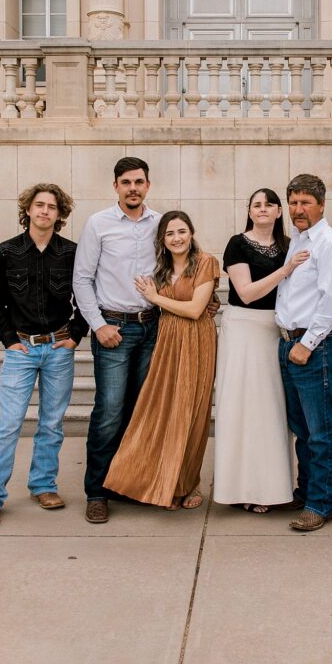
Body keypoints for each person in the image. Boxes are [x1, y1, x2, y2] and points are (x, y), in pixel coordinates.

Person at [0, 184, 87, 527]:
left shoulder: (70, 252)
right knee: (8, 424)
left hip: (57, 349)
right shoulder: (7, 251)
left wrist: (75, 334)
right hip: (21, 350)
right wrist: (9, 341)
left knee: (51, 424)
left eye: (52, 207)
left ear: (60, 213)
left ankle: (43, 485)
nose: (45, 211)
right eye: (39, 205)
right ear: (28, 210)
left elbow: (87, 294)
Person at [104, 211, 219, 509]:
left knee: (192, 412)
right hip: (166, 340)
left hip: (197, 340)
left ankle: (188, 485)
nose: (177, 238)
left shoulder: (206, 262)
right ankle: (164, 483)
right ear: (162, 240)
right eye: (169, 234)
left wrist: (156, 299)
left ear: (191, 233)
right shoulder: (160, 269)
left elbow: (195, 310)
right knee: (165, 411)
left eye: (182, 231)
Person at [73, 157, 161, 524]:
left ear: (148, 185)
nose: (133, 188)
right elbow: (82, 279)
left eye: (139, 182)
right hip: (114, 328)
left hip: (152, 327)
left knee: (142, 410)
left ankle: (128, 482)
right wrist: (98, 325)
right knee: (109, 412)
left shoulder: (161, 223)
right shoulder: (99, 224)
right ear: (115, 187)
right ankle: (97, 491)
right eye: (126, 182)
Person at [213, 188, 309, 513]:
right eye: (257, 204)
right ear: (249, 211)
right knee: (241, 408)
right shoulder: (237, 243)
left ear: (279, 211)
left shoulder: (289, 245)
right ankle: (238, 488)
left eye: (269, 204)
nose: (263, 208)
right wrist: (285, 270)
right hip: (242, 328)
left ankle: (269, 489)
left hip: (274, 331)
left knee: (270, 411)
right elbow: (247, 292)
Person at [275, 174, 332, 532]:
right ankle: (307, 492)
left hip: (316, 345)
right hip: (290, 342)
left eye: (305, 202)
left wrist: (306, 345)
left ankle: (321, 503)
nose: (298, 209)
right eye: (293, 202)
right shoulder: (298, 241)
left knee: (320, 430)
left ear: (322, 204)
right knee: (302, 429)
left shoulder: (331, 244)